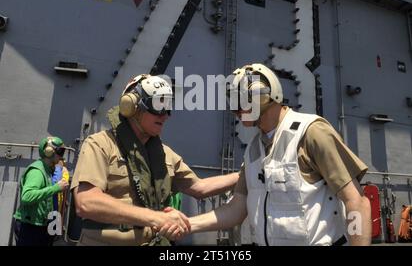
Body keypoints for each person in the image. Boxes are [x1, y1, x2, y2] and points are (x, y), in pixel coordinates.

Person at [177, 63, 371, 246]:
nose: (234, 111)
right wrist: (186, 224)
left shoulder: (311, 132)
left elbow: (356, 202)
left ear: (260, 97)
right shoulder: (254, 149)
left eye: (239, 101)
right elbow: (236, 209)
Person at [71, 74, 239, 246]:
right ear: (131, 106)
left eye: (167, 107)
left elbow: (199, 187)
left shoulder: (165, 155)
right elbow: (87, 202)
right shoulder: (100, 145)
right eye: (159, 105)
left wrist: (245, 174)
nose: (165, 115)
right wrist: (157, 218)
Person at [14, 136, 69, 246]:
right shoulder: (37, 172)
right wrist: (55, 188)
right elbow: (26, 196)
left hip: (41, 225)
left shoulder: (48, 170)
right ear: (49, 152)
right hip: (30, 228)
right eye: (60, 152)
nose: (62, 156)